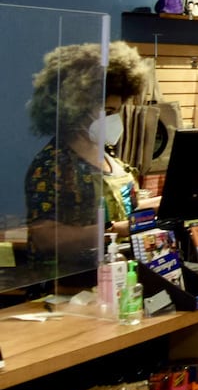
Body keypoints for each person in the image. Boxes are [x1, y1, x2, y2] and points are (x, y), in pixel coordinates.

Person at [25, 41, 147, 272]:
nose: (113, 120)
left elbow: (126, 204)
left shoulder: (109, 157)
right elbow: (45, 238)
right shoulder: (52, 166)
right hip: (69, 287)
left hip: (119, 278)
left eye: (116, 112)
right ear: (76, 111)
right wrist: (111, 231)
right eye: (107, 112)